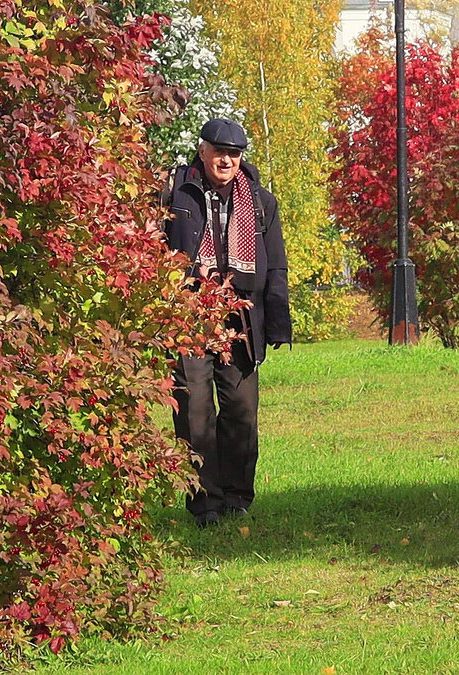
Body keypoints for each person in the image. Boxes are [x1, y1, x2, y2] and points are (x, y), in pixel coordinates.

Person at [161, 119, 292, 528]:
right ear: (202, 151)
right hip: (190, 315)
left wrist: (276, 324)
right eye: (219, 150)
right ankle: (205, 504)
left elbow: (276, 267)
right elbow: (153, 249)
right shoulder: (176, 192)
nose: (226, 159)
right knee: (194, 411)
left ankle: (236, 497)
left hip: (241, 318)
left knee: (240, 411)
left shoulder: (260, 202)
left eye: (234, 153)